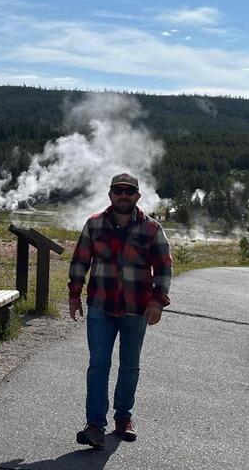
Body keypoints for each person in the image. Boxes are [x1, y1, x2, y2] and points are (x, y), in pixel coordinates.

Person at [68, 172, 172, 448]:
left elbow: (163, 266)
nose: (123, 195)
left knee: (130, 365)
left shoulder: (151, 229)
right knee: (98, 364)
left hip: (136, 309)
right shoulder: (94, 225)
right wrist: (74, 294)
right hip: (101, 305)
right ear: (110, 194)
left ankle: (123, 417)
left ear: (137, 196)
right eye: (118, 191)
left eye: (129, 191)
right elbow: (80, 260)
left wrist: (157, 301)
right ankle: (94, 426)